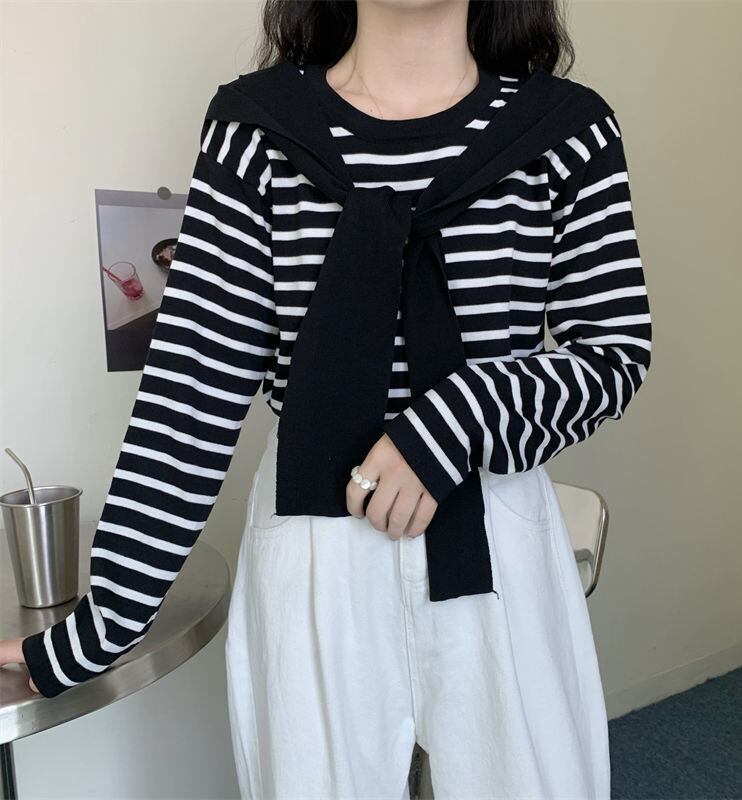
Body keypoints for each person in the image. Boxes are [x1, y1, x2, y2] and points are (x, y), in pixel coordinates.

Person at [2, 0, 653, 797]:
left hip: (496, 535)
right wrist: (92, 634)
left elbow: (613, 352)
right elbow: (191, 392)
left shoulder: (567, 131)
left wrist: (452, 423)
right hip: (312, 544)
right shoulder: (255, 130)